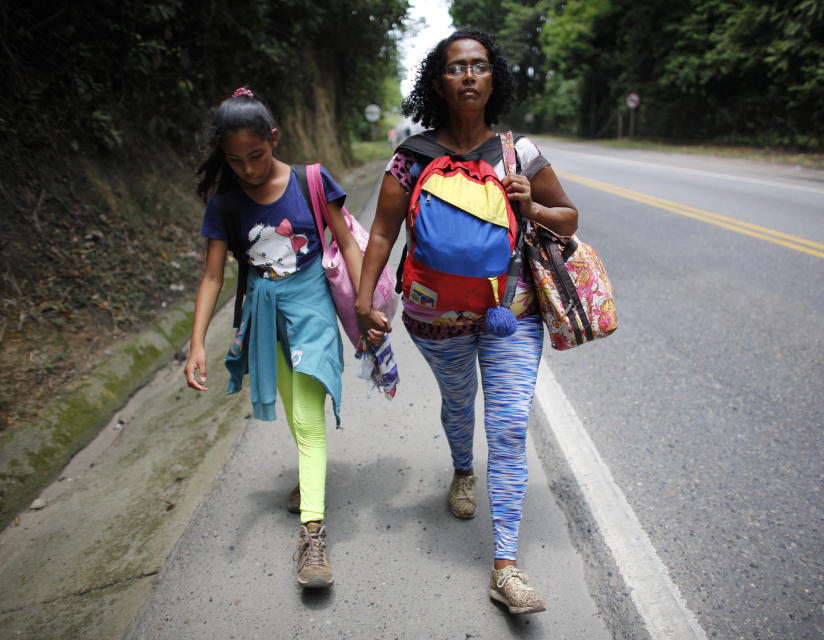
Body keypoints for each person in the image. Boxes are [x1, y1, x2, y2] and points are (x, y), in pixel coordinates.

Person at [355, 29, 578, 615]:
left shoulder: (518, 154)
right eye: (457, 68)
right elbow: (381, 231)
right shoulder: (411, 157)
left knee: (506, 428)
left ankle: (505, 565)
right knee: (459, 405)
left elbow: (569, 218)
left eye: (480, 66)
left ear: (493, 78)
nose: (470, 76)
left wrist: (530, 205)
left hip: (513, 312)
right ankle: (460, 469)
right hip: (435, 318)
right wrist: (364, 299)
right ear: (439, 81)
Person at [185, 87, 363, 589]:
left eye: (257, 155)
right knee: (295, 414)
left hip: (311, 310)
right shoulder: (225, 203)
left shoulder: (310, 180)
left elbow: (346, 242)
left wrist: (366, 304)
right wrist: (197, 343)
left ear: (274, 139)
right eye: (235, 160)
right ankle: (311, 482)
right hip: (265, 316)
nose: (247, 168)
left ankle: (312, 536)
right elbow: (213, 278)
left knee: (308, 419)